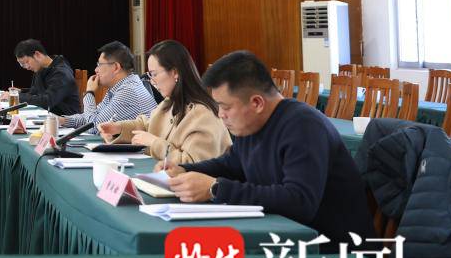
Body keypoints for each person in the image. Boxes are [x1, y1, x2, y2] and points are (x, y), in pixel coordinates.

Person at [167, 50, 375, 245]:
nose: (220, 114)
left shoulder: (303, 126)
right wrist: (185, 170)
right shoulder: (250, 124)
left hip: (334, 250)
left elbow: (299, 201)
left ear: (257, 103)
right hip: (284, 237)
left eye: (226, 107)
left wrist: (215, 189)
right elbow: (232, 165)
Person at [97, 39, 229, 166]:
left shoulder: (203, 113)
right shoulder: (169, 102)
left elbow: (194, 163)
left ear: (175, 72)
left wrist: (154, 142)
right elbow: (148, 125)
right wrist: (118, 129)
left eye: (154, 74)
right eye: (150, 75)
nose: (152, 81)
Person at [59, 41, 156, 129]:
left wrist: (89, 93)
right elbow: (92, 117)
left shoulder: (128, 91)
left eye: (99, 65)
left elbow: (94, 127)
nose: (96, 70)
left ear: (116, 67)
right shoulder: (118, 87)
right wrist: (61, 121)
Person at [12, 39, 81, 115]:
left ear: (37, 55)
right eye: (22, 65)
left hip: (65, 118)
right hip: (48, 115)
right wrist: (20, 91)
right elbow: (36, 91)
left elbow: (47, 101)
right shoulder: (41, 68)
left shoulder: (61, 73)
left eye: (26, 62)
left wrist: (16, 96)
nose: (26, 67)